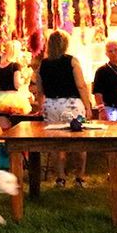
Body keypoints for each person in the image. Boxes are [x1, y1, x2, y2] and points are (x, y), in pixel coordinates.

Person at [35, 29, 94, 188]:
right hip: (72, 105)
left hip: (51, 105)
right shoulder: (72, 61)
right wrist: (88, 106)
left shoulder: (43, 64)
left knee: (56, 142)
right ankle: (79, 177)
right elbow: (81, 85)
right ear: (65, 44)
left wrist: (41, 106)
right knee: (79, 140)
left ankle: (60, 178)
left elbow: (39, 90)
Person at [0, 40, 24, 131]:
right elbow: (17, 85)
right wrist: (23, 80)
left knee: (6, 132)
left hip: (0, 101)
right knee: (17, 132)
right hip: (14, 101)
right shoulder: (16, 66)